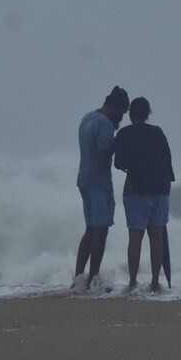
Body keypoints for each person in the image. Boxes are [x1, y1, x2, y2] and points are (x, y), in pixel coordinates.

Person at [113, 97, 175, 292]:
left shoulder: (124, 134)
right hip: (160, 188)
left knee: (135, 237)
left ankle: (132, 282)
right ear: (148, 114)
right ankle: (155, 282)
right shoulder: (158, 133)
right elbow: (167, 160)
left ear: (131, 114)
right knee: (156, 236)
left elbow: (118, 163)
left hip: (136, 188)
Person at [75, 86, 129, 289]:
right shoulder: (105, 125)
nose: (121, 118)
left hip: (84, 178)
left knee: (90, 229)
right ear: (114, 107)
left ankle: (79, 276)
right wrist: (120, 148)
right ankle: (93, 278)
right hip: (99, 182)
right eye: (122, 112)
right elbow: (103, 154)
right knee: (101, 231)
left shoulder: (87, 118)